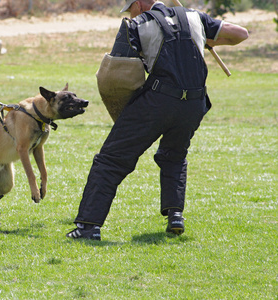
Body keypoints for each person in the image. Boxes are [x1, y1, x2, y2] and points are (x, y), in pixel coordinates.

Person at [66, 0, 248, 240]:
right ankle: (175, 215)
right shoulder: (194, 17)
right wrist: (201, 39)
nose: (129, 14)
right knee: (174, 155)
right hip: (194, 103)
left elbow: (116, 74)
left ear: (140, 5)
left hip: (159, 100)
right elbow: (240, 34)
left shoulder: (136, 24)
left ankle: (88, 227)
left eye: (129, 9)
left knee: (111, 159)